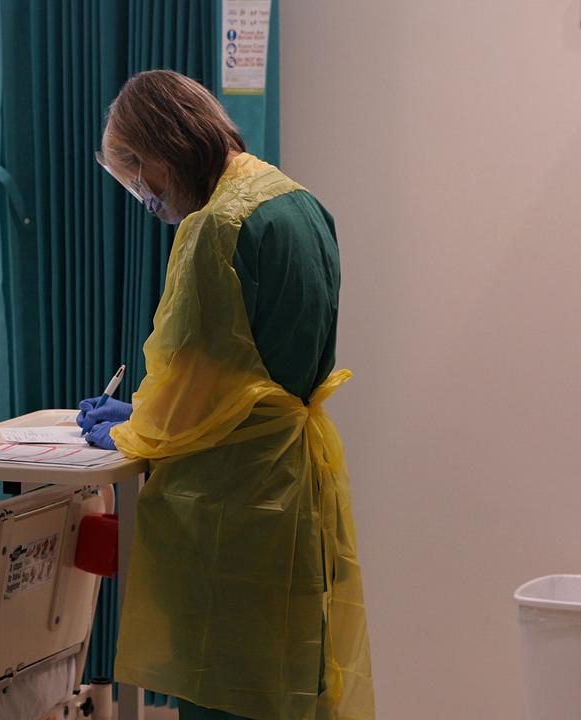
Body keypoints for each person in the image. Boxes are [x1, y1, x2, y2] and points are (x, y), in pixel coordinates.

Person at [76, 70, 374, 719]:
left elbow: (188, 376)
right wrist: (156, 411)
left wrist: (134, 429)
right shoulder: (296, 202)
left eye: (138, 182)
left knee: (232, 692)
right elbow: (246, 374)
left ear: (156, 155)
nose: (146, 199)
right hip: (293, 489)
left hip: (233, 509)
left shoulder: (216, 227)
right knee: (295, 681)